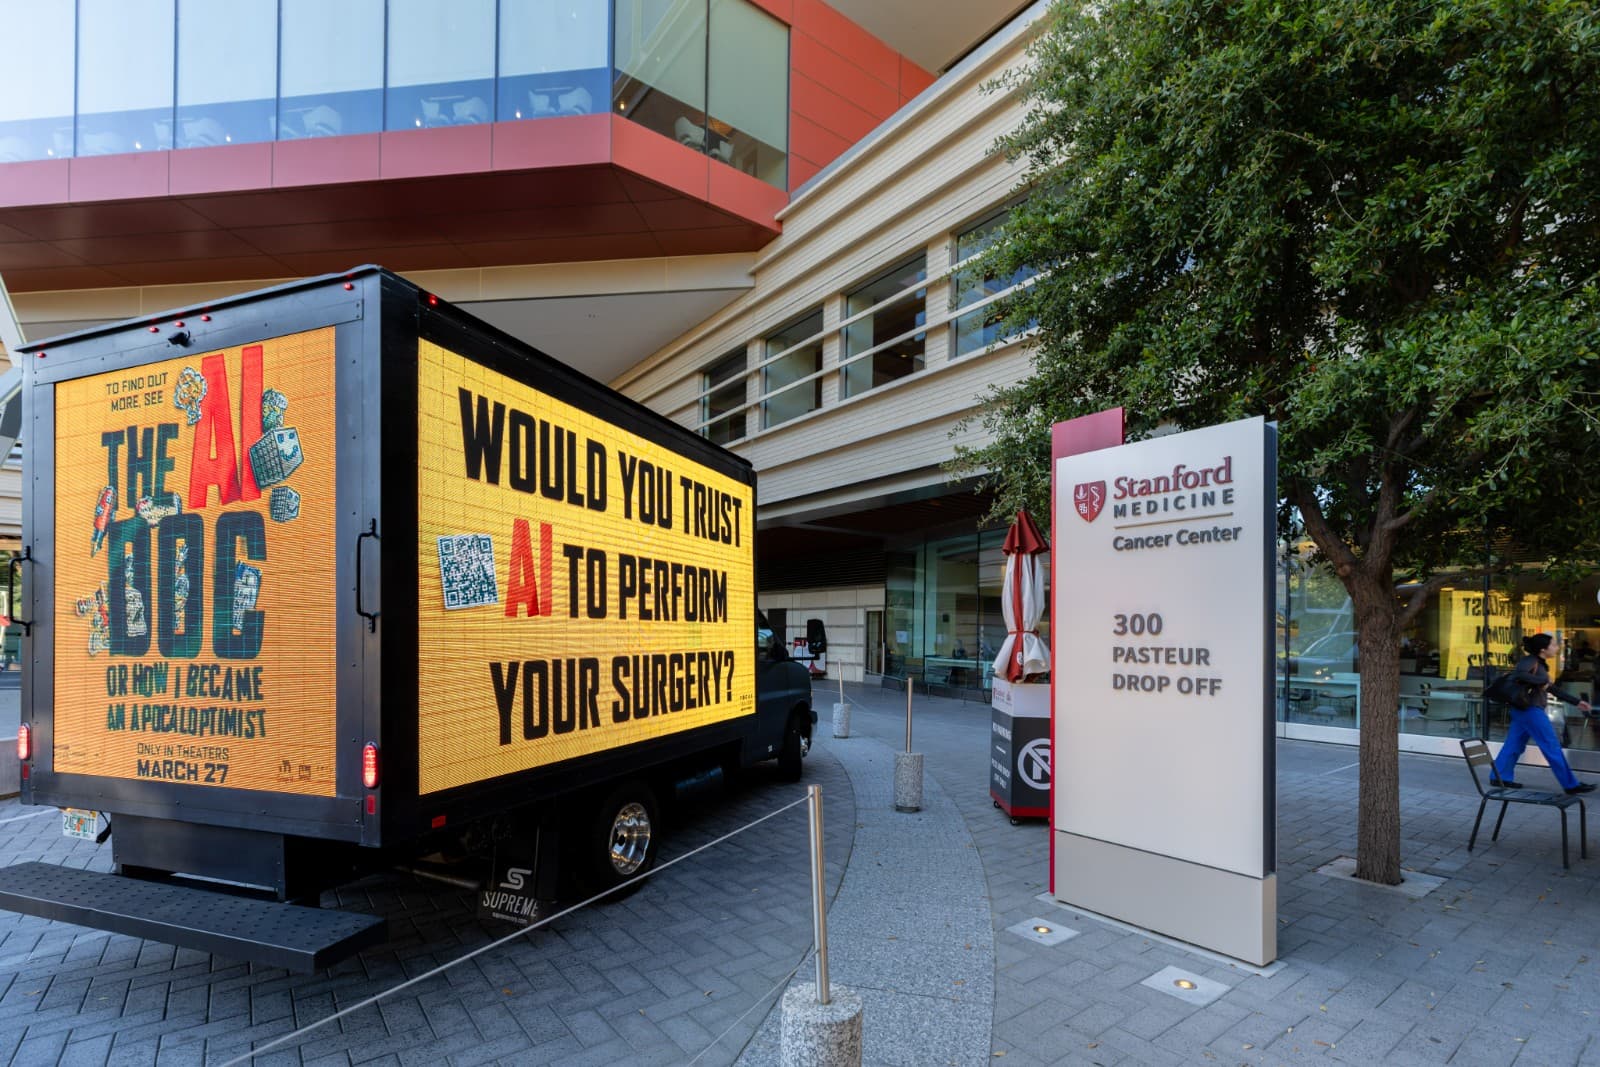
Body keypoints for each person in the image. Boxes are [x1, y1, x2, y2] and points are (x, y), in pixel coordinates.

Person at [1490, 633, 1595, 794]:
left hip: (1523, 710)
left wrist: (1576, 702)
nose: (1557, 648)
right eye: (1553, 645)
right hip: (1530, 711)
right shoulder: (1529, 661)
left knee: (1514, 744)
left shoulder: (1538, 663)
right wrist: (1542, 682)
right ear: (1543, 649)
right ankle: (1571, 785)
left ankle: (1499, 776)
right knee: (1551, 746)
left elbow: (1551, 688)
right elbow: (1519, 675)